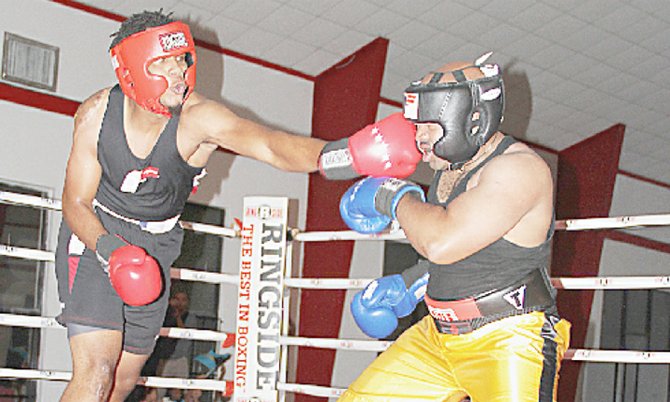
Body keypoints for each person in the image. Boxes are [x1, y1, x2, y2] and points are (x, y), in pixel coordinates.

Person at [54, 9, 420, 402]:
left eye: (183, 61)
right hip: (97, 238)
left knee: (122, 384)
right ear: (131, 71)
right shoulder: (95, 116)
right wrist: (111, 250)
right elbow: (75, 203)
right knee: (96, 374)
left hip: (156, 248)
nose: (180, 75)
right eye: (165, 64)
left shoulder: (199, 118)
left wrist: (347, 154)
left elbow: (267, 144)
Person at [338, 54, 572, 401]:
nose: (418, 138)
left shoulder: (519, 169)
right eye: (416, 125)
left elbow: (441, 241)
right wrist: (410, 283)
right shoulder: (449, 170)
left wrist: (392, 195)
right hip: (437, 336)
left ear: (469, 119)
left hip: (506, 338)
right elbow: (469, 252)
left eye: (427, 125)